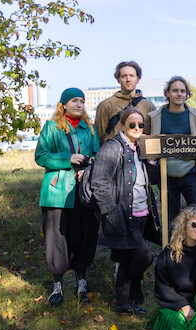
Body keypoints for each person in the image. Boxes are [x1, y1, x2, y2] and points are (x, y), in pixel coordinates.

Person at [91, 108, 161, 314]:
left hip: (142, 214)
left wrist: (151, 160)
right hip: (123, 215)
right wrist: (111, 213)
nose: (137, 128)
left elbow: (153, 181)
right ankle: (130, 294)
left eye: (141, 125)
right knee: (144, 257)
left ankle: (125, 303)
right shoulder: (113, 147)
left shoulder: (140, 147)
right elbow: (99, 183)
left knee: (128, 259)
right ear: (122, 126)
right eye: (132, 124)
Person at [35, 87, 100, 306]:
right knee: (57, 238)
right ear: (63, 104)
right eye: (74, 100)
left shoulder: (89, 129)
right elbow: (41, 156)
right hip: (56, 193)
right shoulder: (51, 128)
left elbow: (99, 155)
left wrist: (88, 166)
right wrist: (67, 158)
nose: (79, 104)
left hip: (84, 190)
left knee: (84, 234)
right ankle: (57, 284)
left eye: (82, 101)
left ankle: (81, 280)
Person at [144, 76, 196, 227]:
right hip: (165, 175)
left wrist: (195, 163)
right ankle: (173, 248)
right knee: (171, 218)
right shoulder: (153, 118)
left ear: (187, 94)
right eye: (175, 91)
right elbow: (148, 144)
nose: (179, 94)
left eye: (183, 91)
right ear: (167, 93)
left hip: (191, 174)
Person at [95, 61, 156, 144]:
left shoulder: (148, 106)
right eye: (124, 76)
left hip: (141, 154)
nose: (128, 79)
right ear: (118, 79)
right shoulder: (106, 105)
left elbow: (152, 135)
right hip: (114, 154)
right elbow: (98, 136)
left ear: (137, 79)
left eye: (131, 76)